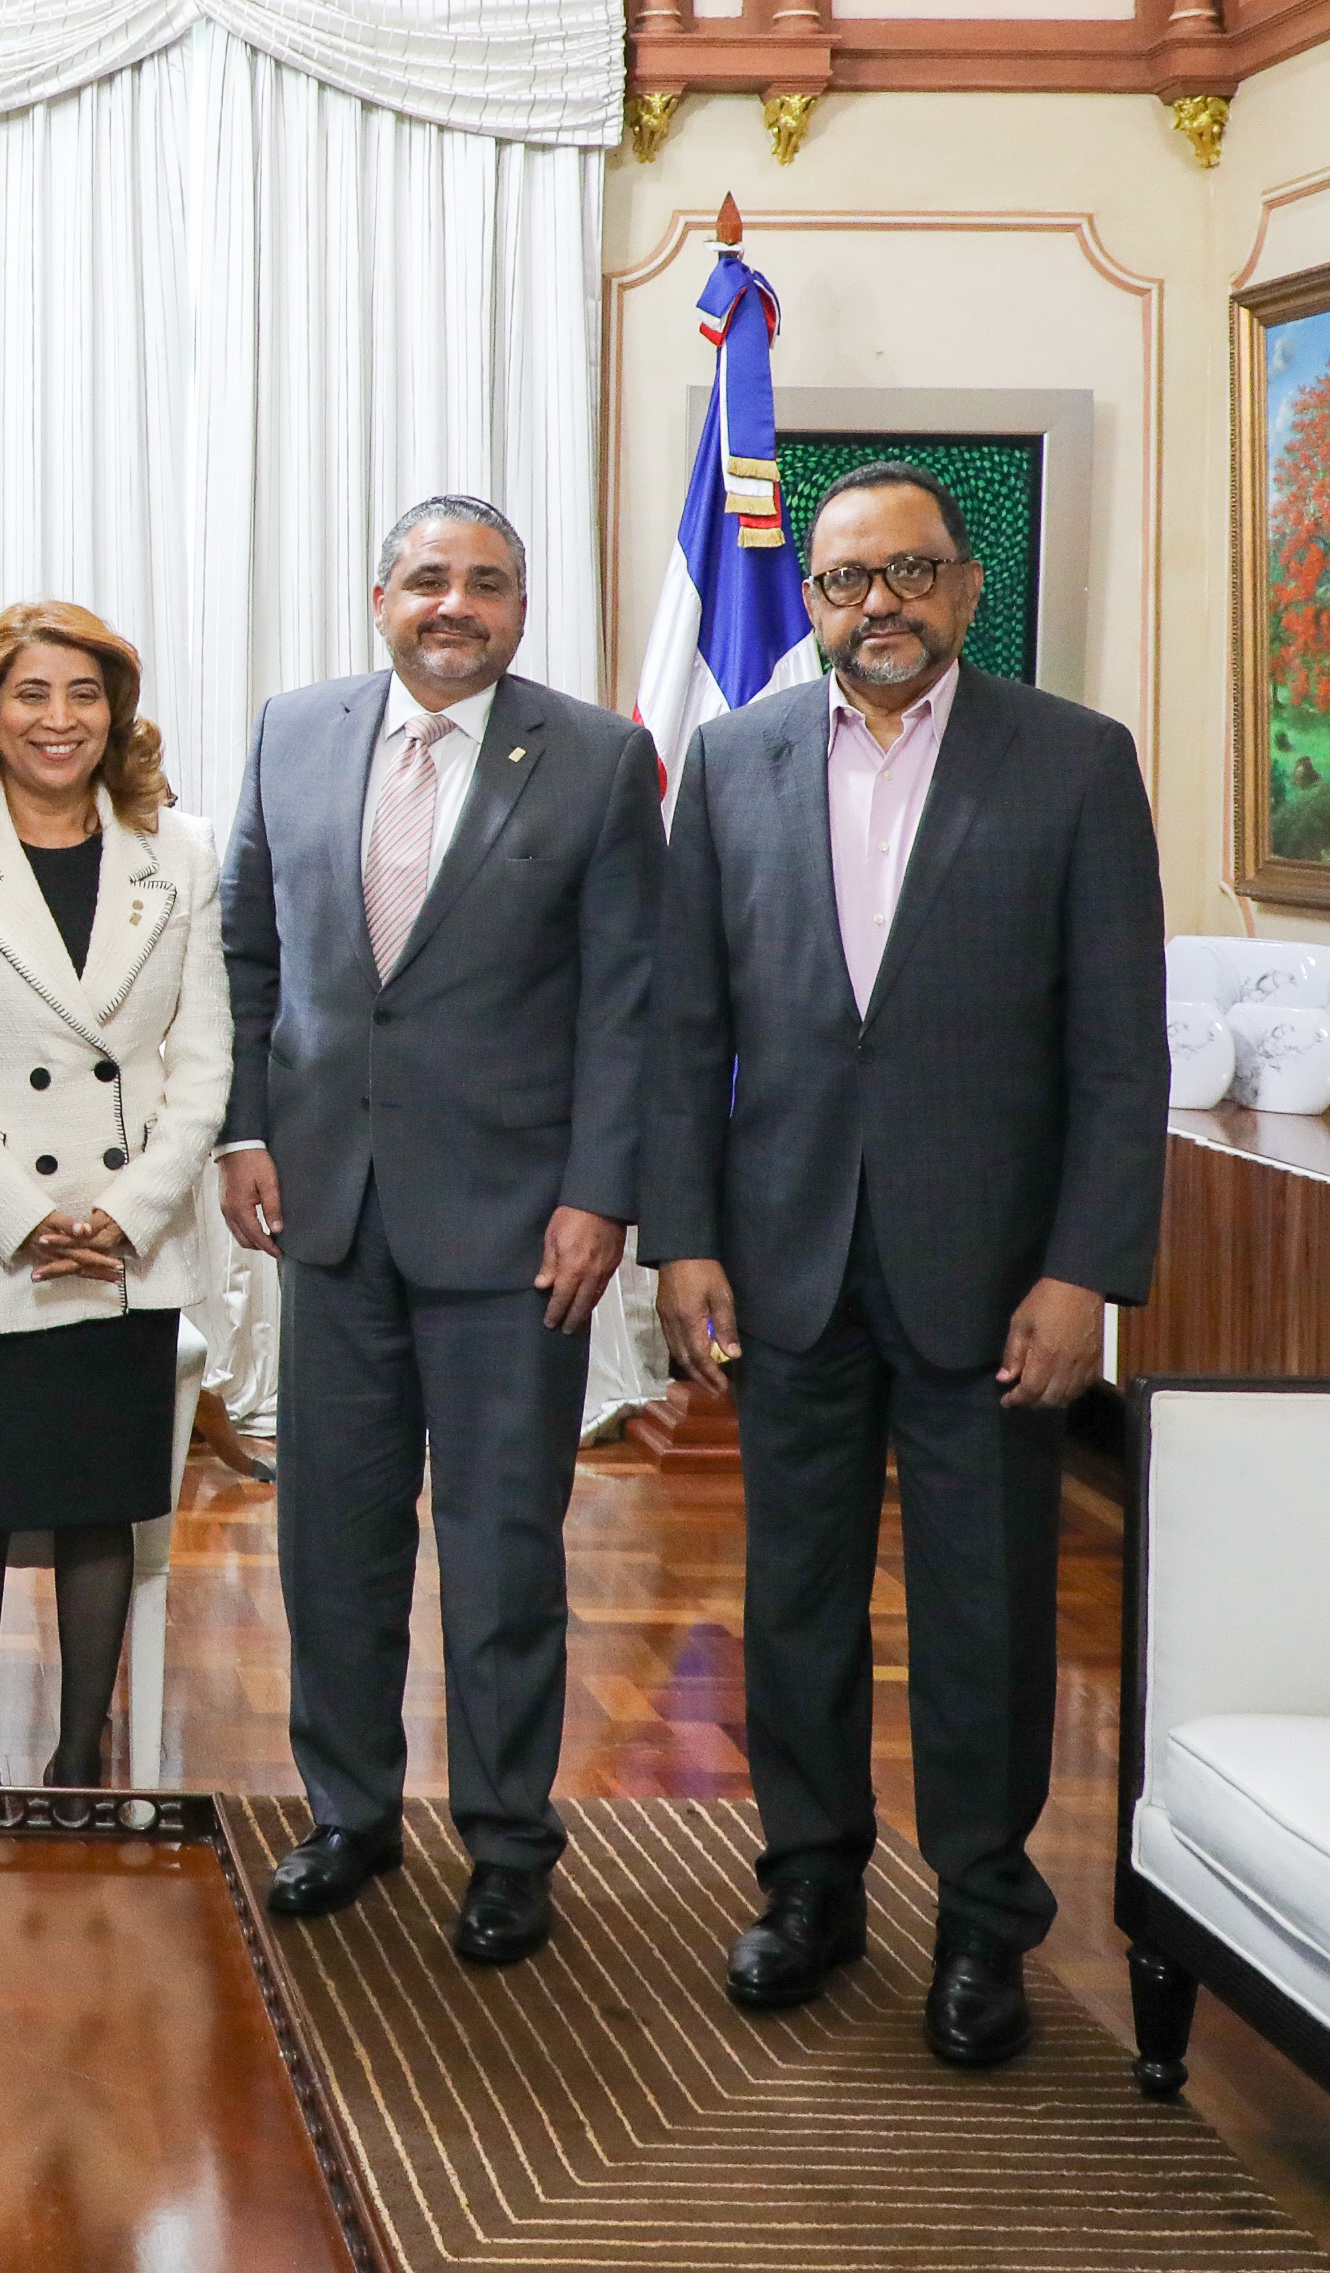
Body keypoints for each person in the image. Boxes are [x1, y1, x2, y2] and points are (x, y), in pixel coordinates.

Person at [645, 460, 1164, 2067]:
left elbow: (1118, 1050)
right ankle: (809, 1884)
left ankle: (983, 1919)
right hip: (785, 1260)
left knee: (985, 1611)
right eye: (846, 579)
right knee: (792, 1600)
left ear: (965, 584)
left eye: (911, 572)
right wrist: (684, 1235)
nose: (880, 604)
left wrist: (1083, 1271)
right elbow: (686, 1028)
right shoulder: (732, 760)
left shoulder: (1072, 760)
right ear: (809, 600)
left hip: (993, 1278)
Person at [220, 494, 661, 1966]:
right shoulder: (292, 732)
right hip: (329, 1214)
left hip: (519, 1233)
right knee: (330, 1545)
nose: (452, 604)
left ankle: (508, 1841)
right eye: (425, 579)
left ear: (521, 608)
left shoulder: (595, 759)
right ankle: (348, 1814)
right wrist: (241, 1129)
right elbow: (248, 954)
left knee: (501, 1556)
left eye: (484, 582)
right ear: (379, 597)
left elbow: (627, 1001)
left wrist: (601, 1195)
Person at [0, 601, 231, 1788]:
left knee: (100, 1505)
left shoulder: (180, 851)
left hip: (125, 1245)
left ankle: (78, 1764)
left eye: (84, 693)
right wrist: (22, 1219)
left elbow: (205, 1059)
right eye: (30, 692)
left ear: (115, 712)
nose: (58, 717)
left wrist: (127, 1213)